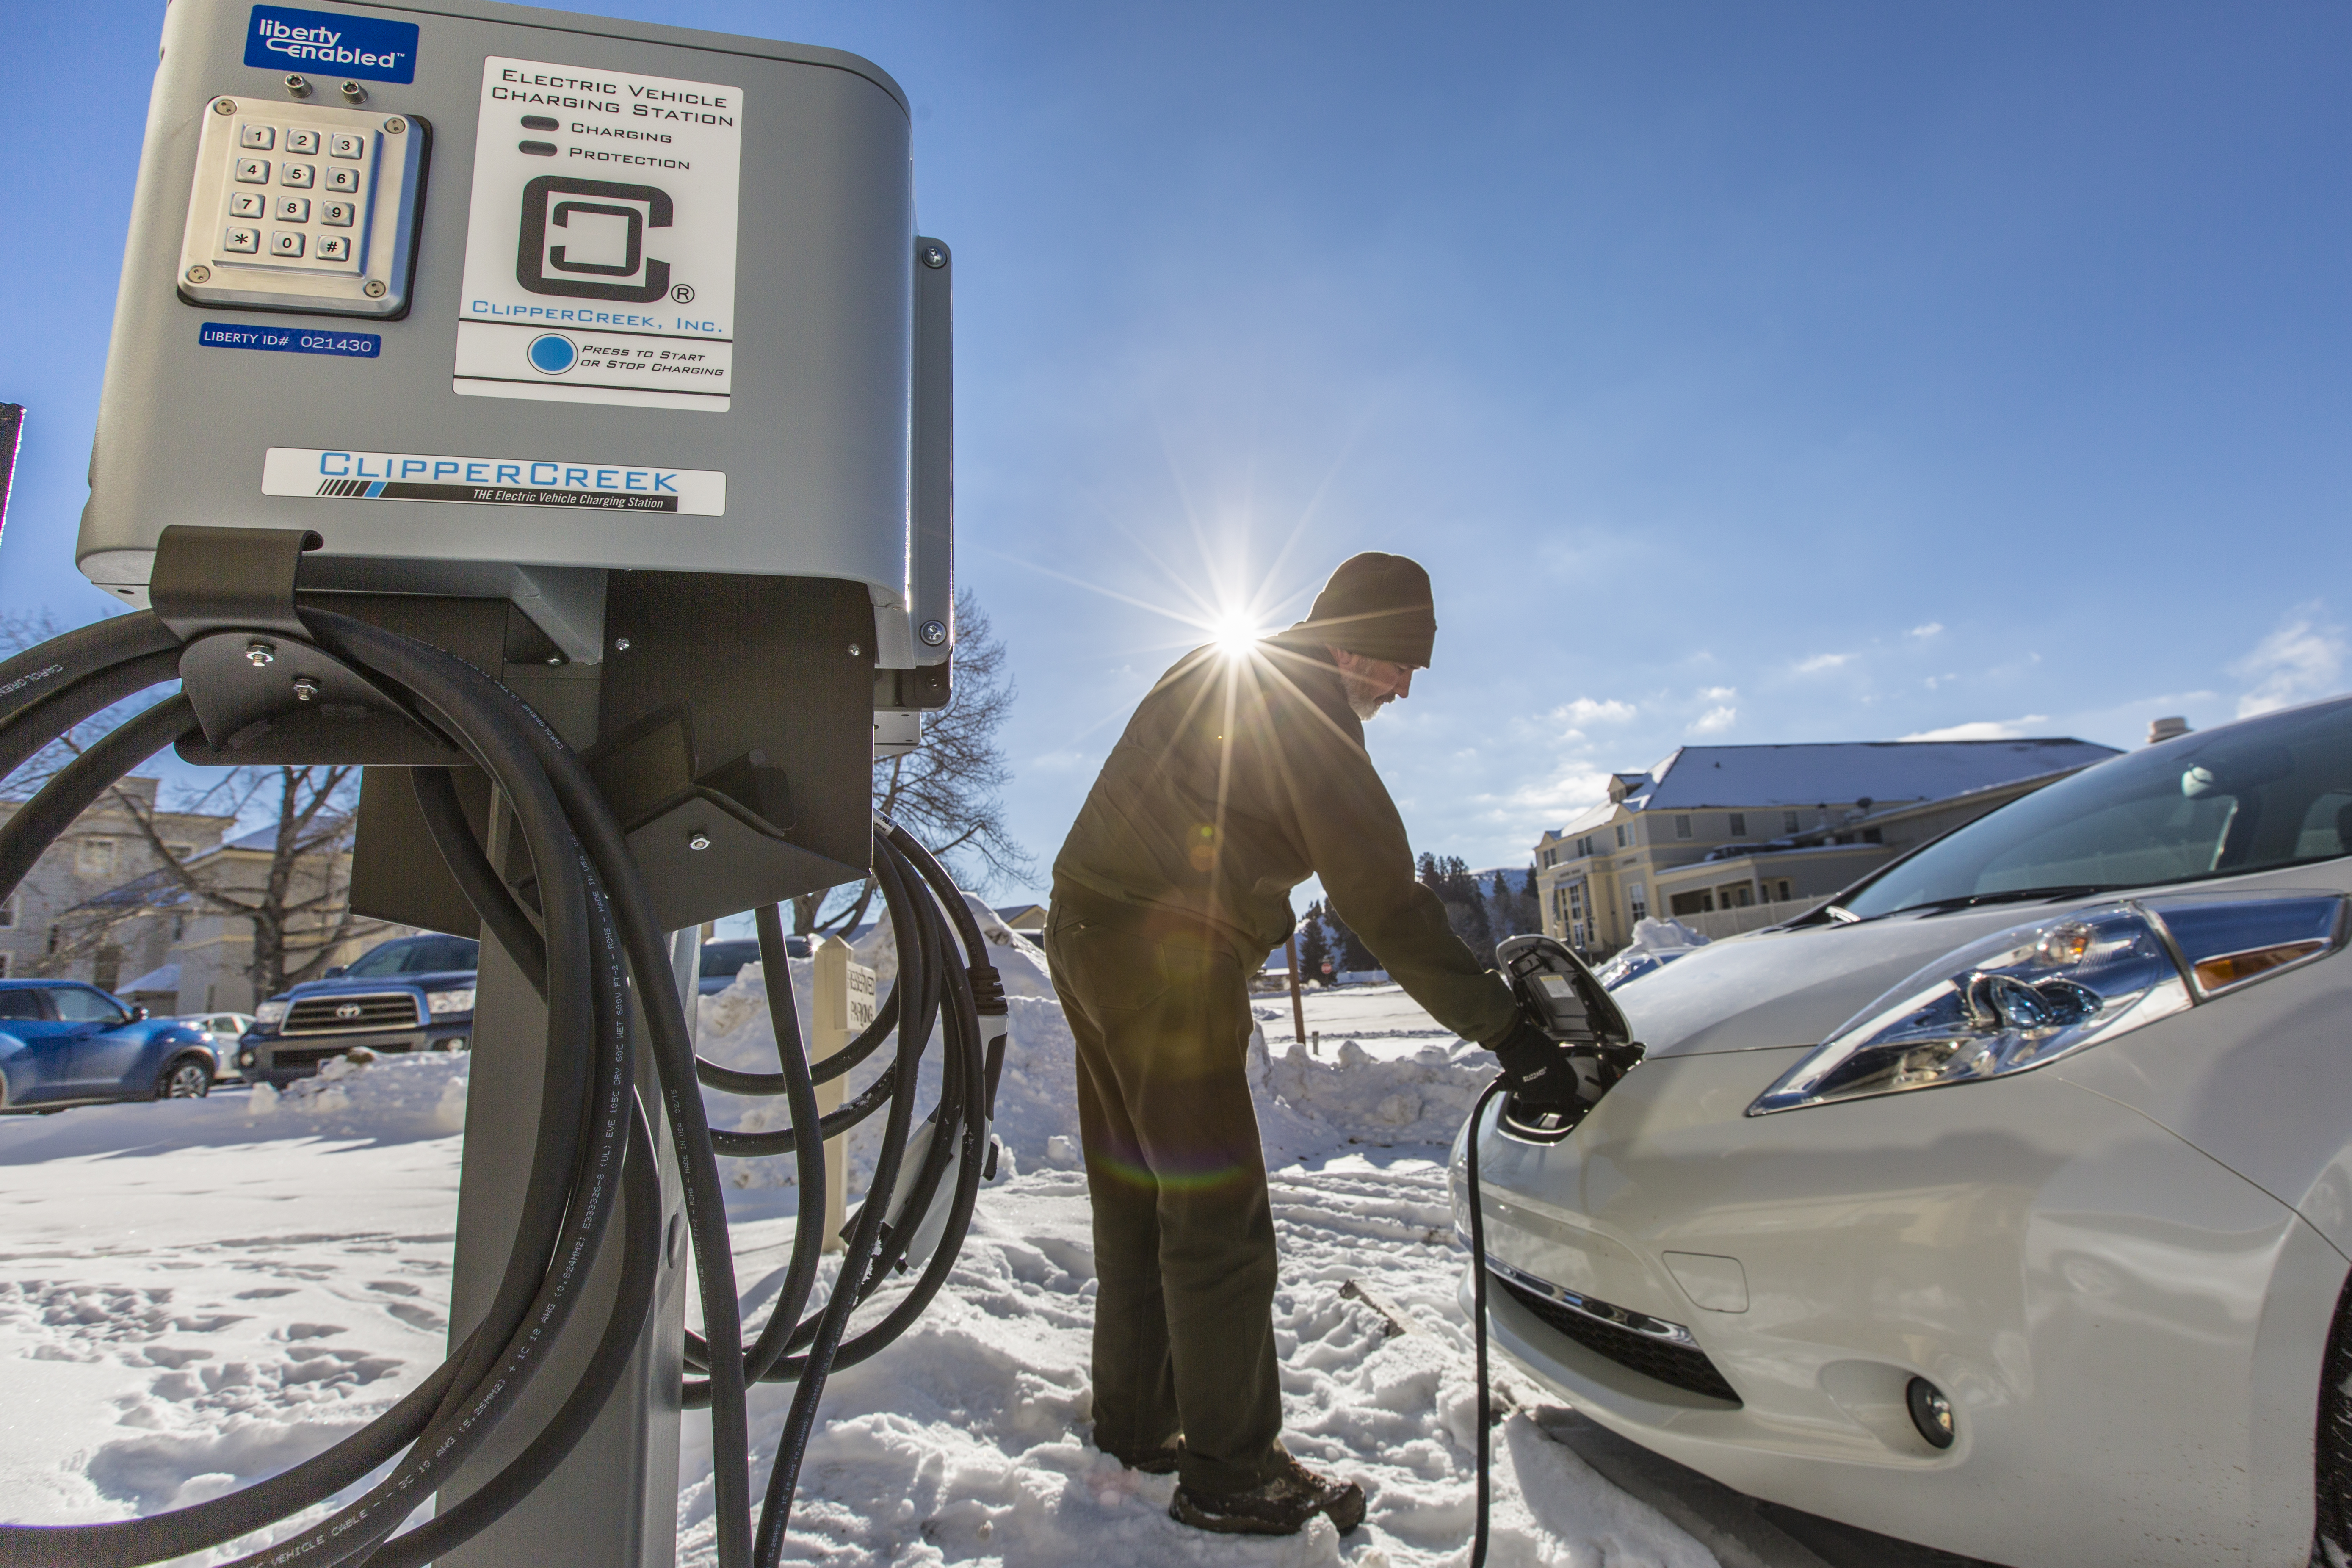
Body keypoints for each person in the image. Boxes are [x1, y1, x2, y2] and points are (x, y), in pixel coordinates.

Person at [1045, 552, 1574, 1537]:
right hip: (1164, 953)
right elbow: (1384, 896)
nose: (1404, 686)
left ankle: (1138, 1424)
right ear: (1350, 637)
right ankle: (1233, 1469)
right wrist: (1504, 1028)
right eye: (1396, 660)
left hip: (1087, 934)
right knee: (1218, 1218)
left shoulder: (1224, 666)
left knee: (1141, 1198)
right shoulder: (1307, 713)